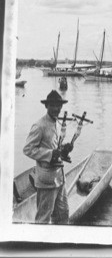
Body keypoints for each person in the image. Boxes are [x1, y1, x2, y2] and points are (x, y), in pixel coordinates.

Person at [23, 90, 73, 224]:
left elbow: (54, 147)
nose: (56, 108)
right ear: (47, 106)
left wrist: (64, 150)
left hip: (59, 178)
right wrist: (50, 154)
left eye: (59, 106)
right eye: (53, 105)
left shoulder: (56, 123)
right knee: (43, 218)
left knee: (63, 215)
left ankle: (60, 242)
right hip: (46, 181)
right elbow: (28, 149)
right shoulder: (40, 125)